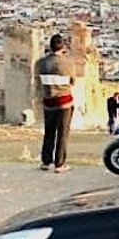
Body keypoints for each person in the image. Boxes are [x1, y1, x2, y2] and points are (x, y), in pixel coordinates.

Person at [35, 33, 75, 172]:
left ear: (50, 47)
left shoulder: (40, 63)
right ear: (62, 46)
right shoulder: (68, 63)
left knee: (49, 132)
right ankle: (60, 164)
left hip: (48, 102)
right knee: (63, 133)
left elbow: (37, 81)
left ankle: (46, 161)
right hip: (64, 102)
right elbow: (73, 81)